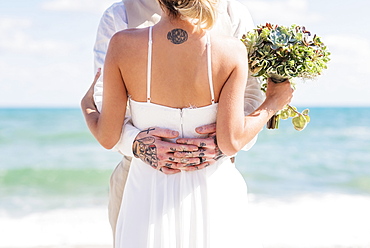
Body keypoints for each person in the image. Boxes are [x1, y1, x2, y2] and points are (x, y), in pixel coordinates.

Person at [81, 0, 293, 246]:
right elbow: (233, 139)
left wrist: (85, 107)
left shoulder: (122, 44)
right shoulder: (232, 50)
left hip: (146, 190)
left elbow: (106, 131)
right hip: (207, 185)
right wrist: (274, 103)